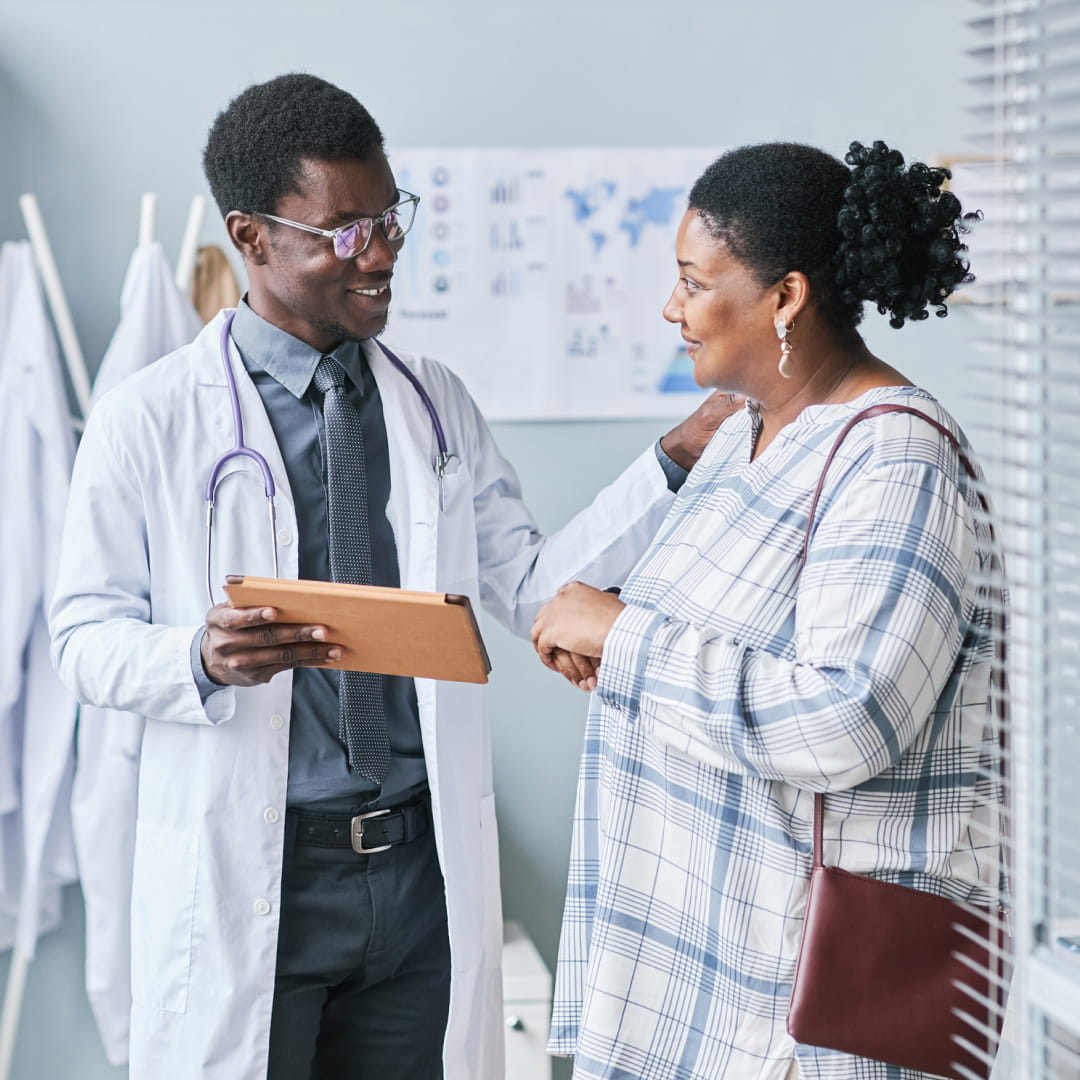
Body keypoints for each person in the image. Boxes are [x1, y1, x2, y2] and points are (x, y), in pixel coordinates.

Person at [48, 74, 734, 1080]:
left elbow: (531, 584)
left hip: (416, 876)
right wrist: (195, 656)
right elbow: (80, 638)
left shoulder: (432, 402)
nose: (379, 253)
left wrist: (675, 455)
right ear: (252, 236)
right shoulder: (150, 418)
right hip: (261, 871)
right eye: (343, 231)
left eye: (389, 219)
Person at [530, 140, 1004, 1080]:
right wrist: (618, 649)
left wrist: (623, 637)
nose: (672, 308)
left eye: (693, 282)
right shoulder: (745, 432)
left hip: (794, 1013)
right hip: (690, 980)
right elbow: (719, 641)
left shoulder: (896, 460)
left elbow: (845, 717)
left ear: (785, 297)